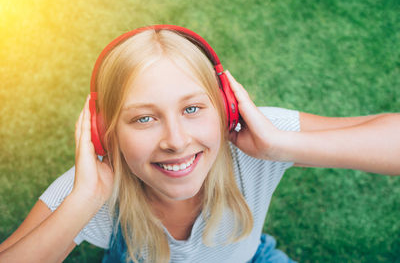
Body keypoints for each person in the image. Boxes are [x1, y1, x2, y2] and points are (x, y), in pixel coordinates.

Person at [0, 25, 399, 263]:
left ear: (227, 109)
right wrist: (84, 201)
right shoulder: (90, 189)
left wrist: (281, 145)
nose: (175, 140)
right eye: (143, 118)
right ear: (105, 132)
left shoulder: (256, 140)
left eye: (192, 109)